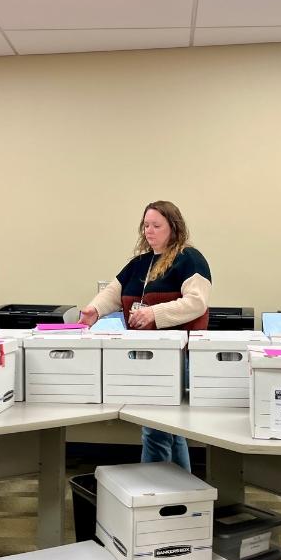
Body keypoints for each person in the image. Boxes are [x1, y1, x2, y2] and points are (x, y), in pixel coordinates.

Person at [79, 201, 212, 471]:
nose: (149, 231)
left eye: (156, 226)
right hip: (146, 356)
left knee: (155, 429)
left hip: (178, 357)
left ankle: (152, 492)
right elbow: (113, 294)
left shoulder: (190, 259)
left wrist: (154, 314)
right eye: (146, 225)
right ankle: (181, 491)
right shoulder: (139, 263)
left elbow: (197, 303)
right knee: (169, 430)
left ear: (173, 228)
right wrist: (94, 310)